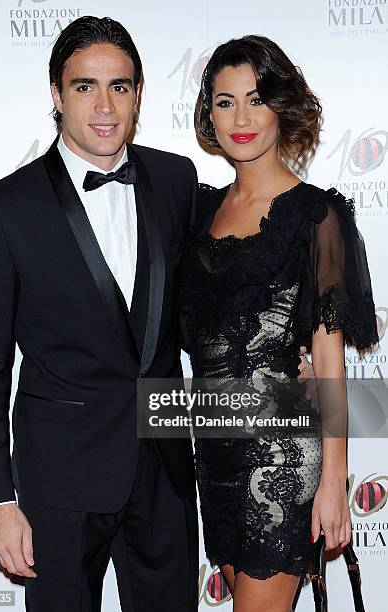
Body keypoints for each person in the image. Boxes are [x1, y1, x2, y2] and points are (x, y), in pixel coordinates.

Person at [0, 16, 199, 612]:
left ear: (139, 93)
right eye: (84, 85)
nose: (105, 105)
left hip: (165, 472)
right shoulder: (2, 209)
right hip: (58, 486)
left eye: (120, 86)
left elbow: (202, 297)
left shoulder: (176, 179)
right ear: (56, 94)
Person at [180, 35, 378, 611]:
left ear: (281, 106)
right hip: (213, 457)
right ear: (207, 113)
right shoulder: (197, 211)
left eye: (256, 98)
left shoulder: (317, 214)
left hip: (280, 460)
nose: (241, 117)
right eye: (224, 101)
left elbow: (328, 356)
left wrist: (334, 481)